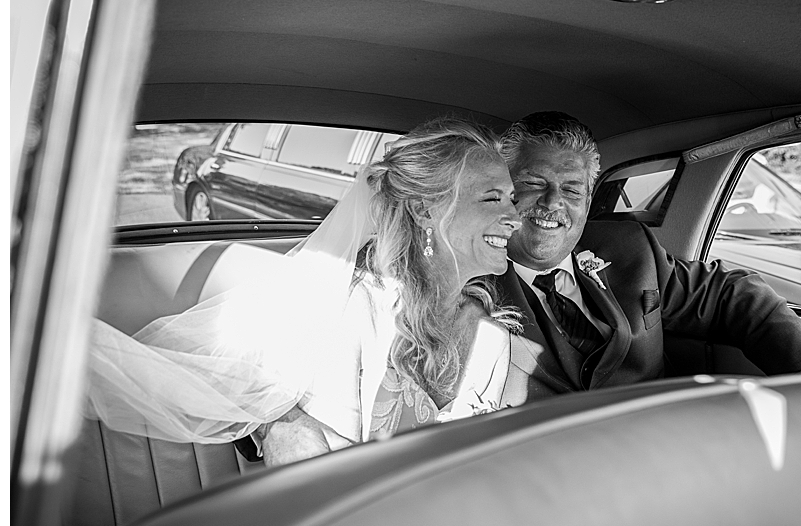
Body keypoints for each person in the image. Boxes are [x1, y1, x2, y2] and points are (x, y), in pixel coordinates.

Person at [86, 118, 523, 466]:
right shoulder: (351, 313)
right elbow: (319, 475)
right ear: (425, 209)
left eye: (511, 198)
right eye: (492, 199)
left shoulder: (494, 331)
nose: (515, 217)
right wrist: (282, 422)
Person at [492, 111, 801, 406]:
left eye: (571, 190)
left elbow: (735, 295)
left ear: (589, 199)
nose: (553, 203)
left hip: (665, 447)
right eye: (534, 183)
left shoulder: (628, 246)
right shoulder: (468, 281)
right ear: (501, 190)